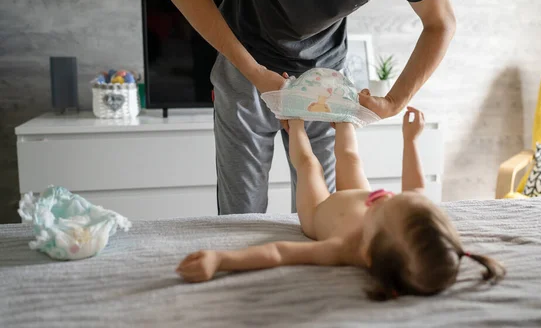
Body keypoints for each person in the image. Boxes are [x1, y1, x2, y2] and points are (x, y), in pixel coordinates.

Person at [165, 0, 456, 214]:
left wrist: (394, 103)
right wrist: (254, 71)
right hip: (246, 65)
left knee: (322, 210)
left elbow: (441, 24)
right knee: (242, 211)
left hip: (325, 80)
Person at [176, 108, 506, 300]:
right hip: (354, 197)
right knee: (349, 155)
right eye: (394, 198)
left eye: (382, 207)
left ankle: (293, 123)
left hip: (318, 212)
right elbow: (415, 187)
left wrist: (221, 260)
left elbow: (280, 253)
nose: (381, 198)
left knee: (309, 166)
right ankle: (344, 119)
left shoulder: (343, 248)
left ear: (370, 250)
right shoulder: (411, 221)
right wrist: (410, 140)